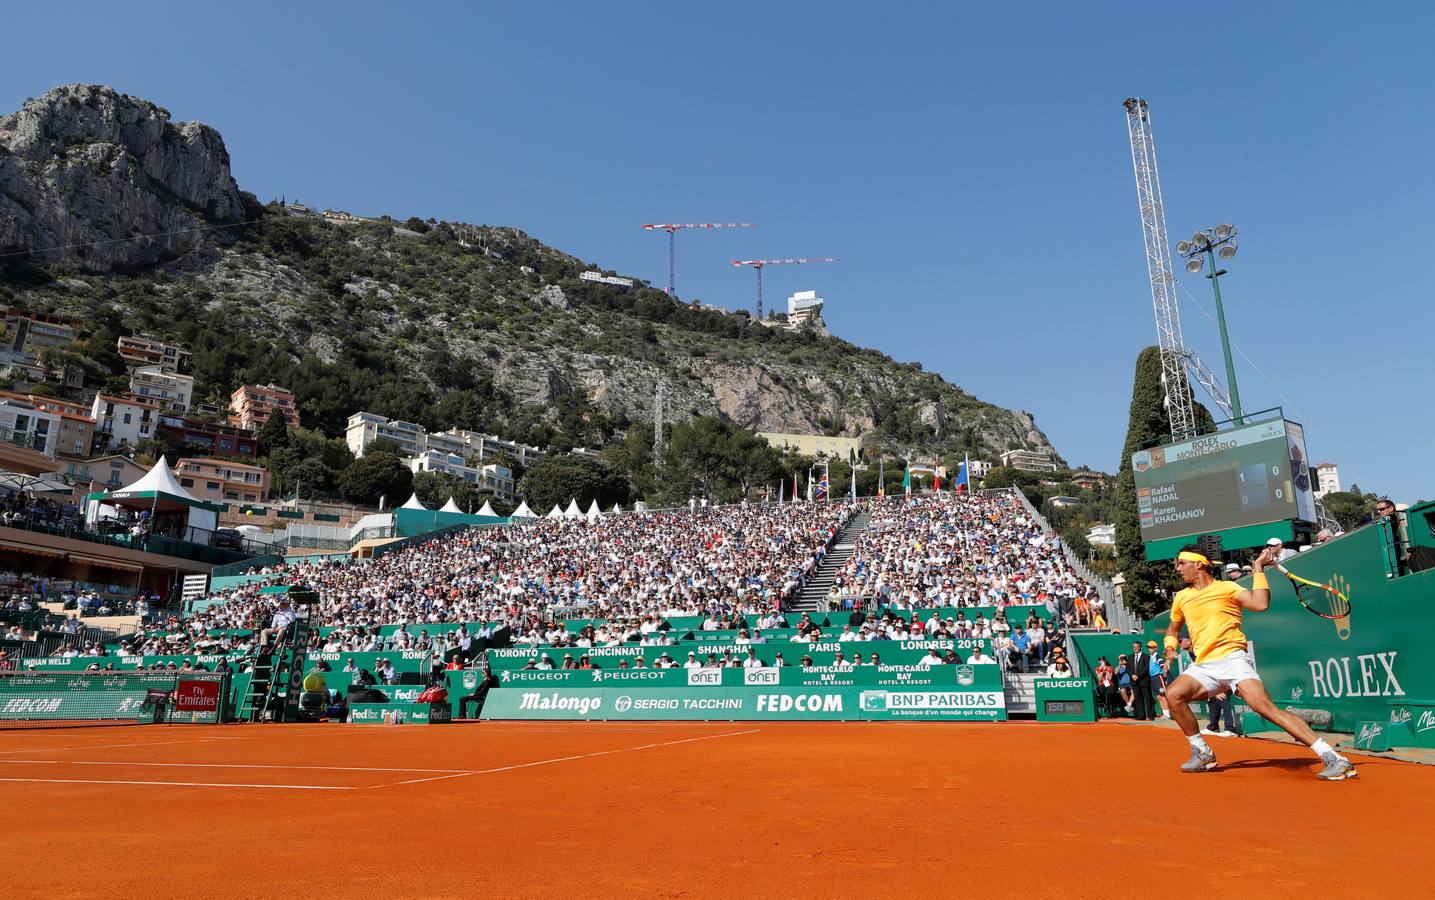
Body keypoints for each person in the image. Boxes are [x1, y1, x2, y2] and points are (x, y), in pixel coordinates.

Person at [1163, 543, 1355, 780]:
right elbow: (1173, 629)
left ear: (1198, 564)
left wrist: (1258, 569)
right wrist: (1170, 648)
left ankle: (1334, 758)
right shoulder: (1182, 597)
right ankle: (1202, 752)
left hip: (1233, 659)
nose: (1178, 569)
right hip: (1204, 666)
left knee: (1265, 708)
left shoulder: (1227, 588)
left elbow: (1260, 604)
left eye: (1182, 564)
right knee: (1173, 695)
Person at [1129, 641, 1154, 720]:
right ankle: (1141, 715)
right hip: (1134, 681)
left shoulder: (1146, 657)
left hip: (1144, 681)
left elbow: (1146, 668)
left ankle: (1150, 715)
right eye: (1134, 646)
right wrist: (1132, 675)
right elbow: (1128, 668)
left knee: (1148, 698)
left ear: (1140, 647)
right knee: (1138, 698)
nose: (1135, 648)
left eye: (1137, 646)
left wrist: (1138, 676)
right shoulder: (1130, 657)